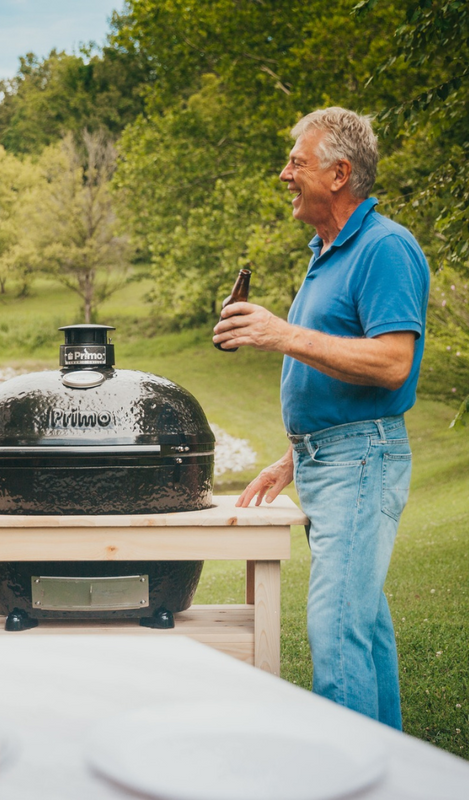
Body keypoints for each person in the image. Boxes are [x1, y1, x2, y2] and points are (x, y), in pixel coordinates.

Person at [213, 107, 429, 728]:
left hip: (363, 459)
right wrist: (292, 457)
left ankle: (347, 778)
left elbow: (392, 363)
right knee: (362, 626)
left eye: (296, 163)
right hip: (329, 458)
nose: (285, 174)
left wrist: (281, 334)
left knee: (336, 632)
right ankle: (392, 773)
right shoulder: (327, 252)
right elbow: (336, 364)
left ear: (339, 174)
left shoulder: (384, 247)